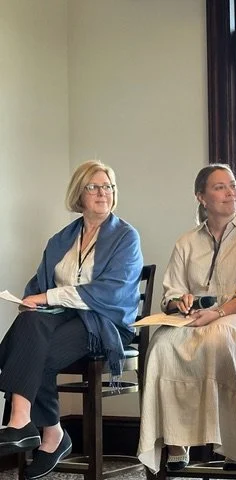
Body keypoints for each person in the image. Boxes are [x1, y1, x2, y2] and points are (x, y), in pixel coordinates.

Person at [0, 160, 143, 479]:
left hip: (103, 323)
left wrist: (47, 298)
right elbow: (40, 284)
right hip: (61, 320)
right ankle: (27, 424)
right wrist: (32, 302)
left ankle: (42, 430)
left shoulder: (125, 237)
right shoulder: (61, 239)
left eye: (108, 186)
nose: (103, 192)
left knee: (31, 352)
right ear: (79, 194)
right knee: (31, 323)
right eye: (94, 186)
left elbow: (110, 291)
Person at [137, 164, 236, 474]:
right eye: (220, 187)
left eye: (232, 184)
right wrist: (181, 300)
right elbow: (171, 292)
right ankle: (176, 442)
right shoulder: (187, 241)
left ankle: (232, 447)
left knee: (220, 336)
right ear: (201, 197)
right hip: (198, 319)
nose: (230, 191)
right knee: (162, 345)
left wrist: (217, 313)